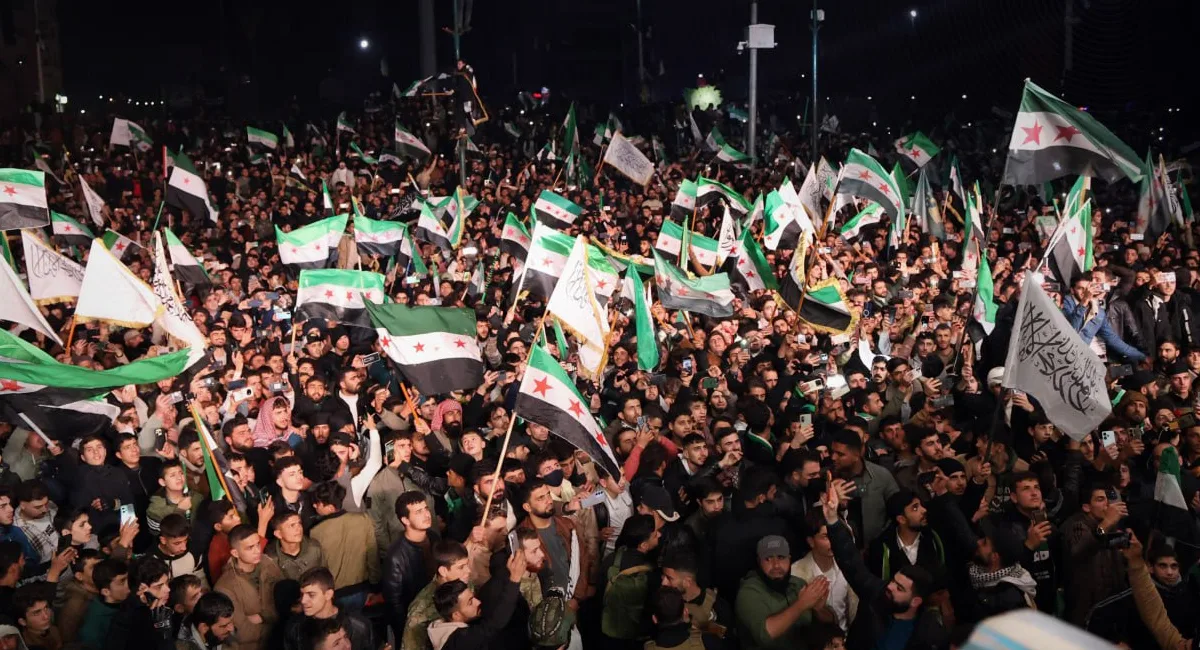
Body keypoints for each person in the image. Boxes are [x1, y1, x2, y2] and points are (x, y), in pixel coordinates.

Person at [821, 481, 947, 650]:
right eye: (894, 581)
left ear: (916, 601)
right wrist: (832, 520)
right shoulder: (876, 596)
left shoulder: (929, 633)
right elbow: (851, 562)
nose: (891, 587)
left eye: (900, 588)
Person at [734, 535, 830, 650]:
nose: (776, 565)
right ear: (759, 562)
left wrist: (819, 610)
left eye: (781, 557)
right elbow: (765, 635)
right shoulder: (749, 592)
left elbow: (829, 624)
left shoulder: (798, 584)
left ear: (789, 559)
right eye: (768, 559)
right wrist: (801, 604)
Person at [425, 549, 526, 650]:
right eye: (470, 602)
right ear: (457, 615)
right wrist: (514, 579)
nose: (478, 602)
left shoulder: (452, 628)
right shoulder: (459, 641)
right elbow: (494, 625)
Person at [307, 481, 379, 612]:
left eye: (318, 504)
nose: (314, 506)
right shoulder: (363, 520)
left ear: (329, 507)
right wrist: (375, 587)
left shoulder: (316, 532)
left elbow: (319, 567)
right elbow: (372, 556)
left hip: (334, 594)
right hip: (362, 590)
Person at [213, 524, 282, 650]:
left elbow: (286, 605)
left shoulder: (269, 565)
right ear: (235, 553)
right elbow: (242, 633)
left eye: (258, 544)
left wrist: (262, 616)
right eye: (250, 548)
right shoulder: (225, 586)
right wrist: (277, 625)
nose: (257, 550)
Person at [791, 509, 858, 633]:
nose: (834, 541)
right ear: (811, 541)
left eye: (835, 534)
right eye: (826, 537)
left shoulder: (850, 567)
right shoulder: (796, 573)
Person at [382, 491, 436, 639]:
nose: (426, 514)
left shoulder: (433, 537)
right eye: (419, 512)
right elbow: (394, 603)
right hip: (415, 623)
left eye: (426, 509)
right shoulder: (396, 556)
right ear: (405, 520)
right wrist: (406, 633)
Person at [600, 514, 659, 645]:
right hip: (638, 636)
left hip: (609, 633)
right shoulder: (651, 572)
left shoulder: (610, 561)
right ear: (643, 545)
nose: (659, 535)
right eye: (655, 535)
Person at [402, 540, 470, 650]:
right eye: (461, 567)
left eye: (467, 565)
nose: (468, 570)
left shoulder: (465, 584)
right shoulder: (420, 612)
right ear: (443, 571)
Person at [284, 567, 373, 650]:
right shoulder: (295, 627)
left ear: (328, 594)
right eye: (302, 595)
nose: (303, 601)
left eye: (311, 595)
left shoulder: (358, 625)